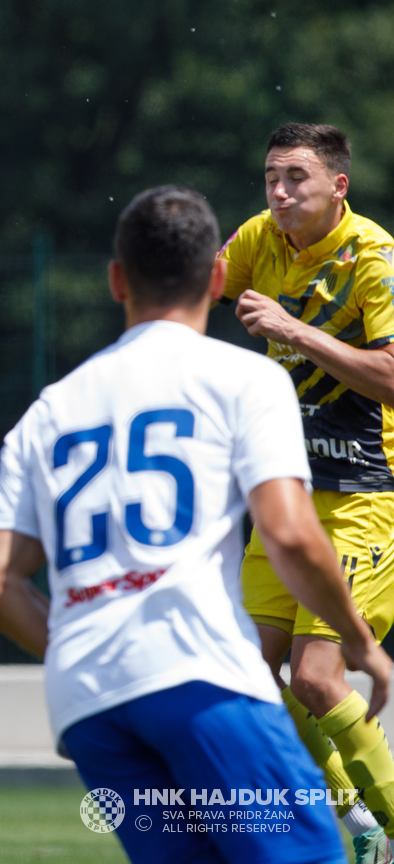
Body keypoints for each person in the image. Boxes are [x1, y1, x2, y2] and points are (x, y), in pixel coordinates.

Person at [0, 184, 393, 864]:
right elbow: (287, 534)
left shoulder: (47, 410)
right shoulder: (244, 380)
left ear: (116, 281)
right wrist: (359, 641)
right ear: (220, 276)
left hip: (87, 705)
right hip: (197, 677)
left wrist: (92, 647)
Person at [219, 122, 394, 853]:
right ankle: (353, 818)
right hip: (285, 495)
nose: (281, 193)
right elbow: (190, 287)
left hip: (362, 495)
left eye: (296, 178)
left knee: (319, 678)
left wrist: (294, 331)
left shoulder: (375, 257)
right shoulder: (262, 237)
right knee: (251, 679)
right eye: (271, 179)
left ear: (338, 187)